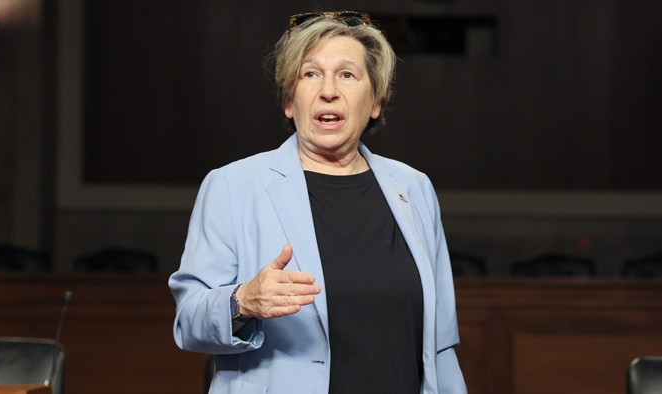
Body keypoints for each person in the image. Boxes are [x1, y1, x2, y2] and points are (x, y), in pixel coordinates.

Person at [169, 10, 467, 394]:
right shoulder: (233, 186)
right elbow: (188, 322)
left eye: (347, 74)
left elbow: (440, 344)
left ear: (375, 101)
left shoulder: (414, 188)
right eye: (310, 74)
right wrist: (241, 301)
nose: (329, 90)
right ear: (289, 102)